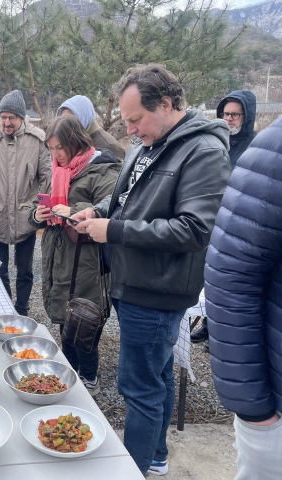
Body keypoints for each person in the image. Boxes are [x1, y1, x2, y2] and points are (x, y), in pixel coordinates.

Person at [73, 64, 231, 476]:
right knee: (155, 377)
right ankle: (157, 459)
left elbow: (195, 229)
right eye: (126, 121)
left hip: (157, 288)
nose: (130, 130)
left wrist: (115, 230)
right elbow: (125, 200)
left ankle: (136, 469)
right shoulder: (149, 144)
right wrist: (99, 210)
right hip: (133, 281)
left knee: (138, 388)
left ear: (166, 104)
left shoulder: (203, 151)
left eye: (135, 120)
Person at [205, 117, 282, 480]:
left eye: (136, 119)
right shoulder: (274, 148)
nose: (131, 130)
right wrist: (255, 414)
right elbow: (231, 279)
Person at [29, 115, 121, 396]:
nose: (55, 155)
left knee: (84, 319)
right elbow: (38, 210)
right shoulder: (56, 170)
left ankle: (90, 378)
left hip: (86, 260)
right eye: (51, 149)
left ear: (75, 142)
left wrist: (73, 208)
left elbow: (112, 210)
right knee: (61, 314)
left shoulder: (104, 170)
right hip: (56, 256)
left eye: (59, 148)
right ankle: (69, 371)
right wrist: (38, 214)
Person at [0, 89, 52, 316]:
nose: (7, 122)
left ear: (21, 118)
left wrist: (38, 208)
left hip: (26, 217)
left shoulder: (37, 140)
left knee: (25, 271)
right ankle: (5, 309)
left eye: (12, 118)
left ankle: (22, 310)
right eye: (3, 117)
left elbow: (46, 177)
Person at [191, 89, 259, 344]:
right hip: (212, 221)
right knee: (212, 277)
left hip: (241, 225)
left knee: (235, 283)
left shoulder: (256, 145)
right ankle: (210, 325)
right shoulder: (216, 142)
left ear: (247, 116)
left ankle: (228, 335)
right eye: (224, 113)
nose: (229, 119)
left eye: (235, 114)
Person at [57, 95, 126, 160]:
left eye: (71, 118)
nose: (66, 123)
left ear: (84, 117)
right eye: (63, 118)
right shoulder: (74, 140)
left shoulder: (109, 146)